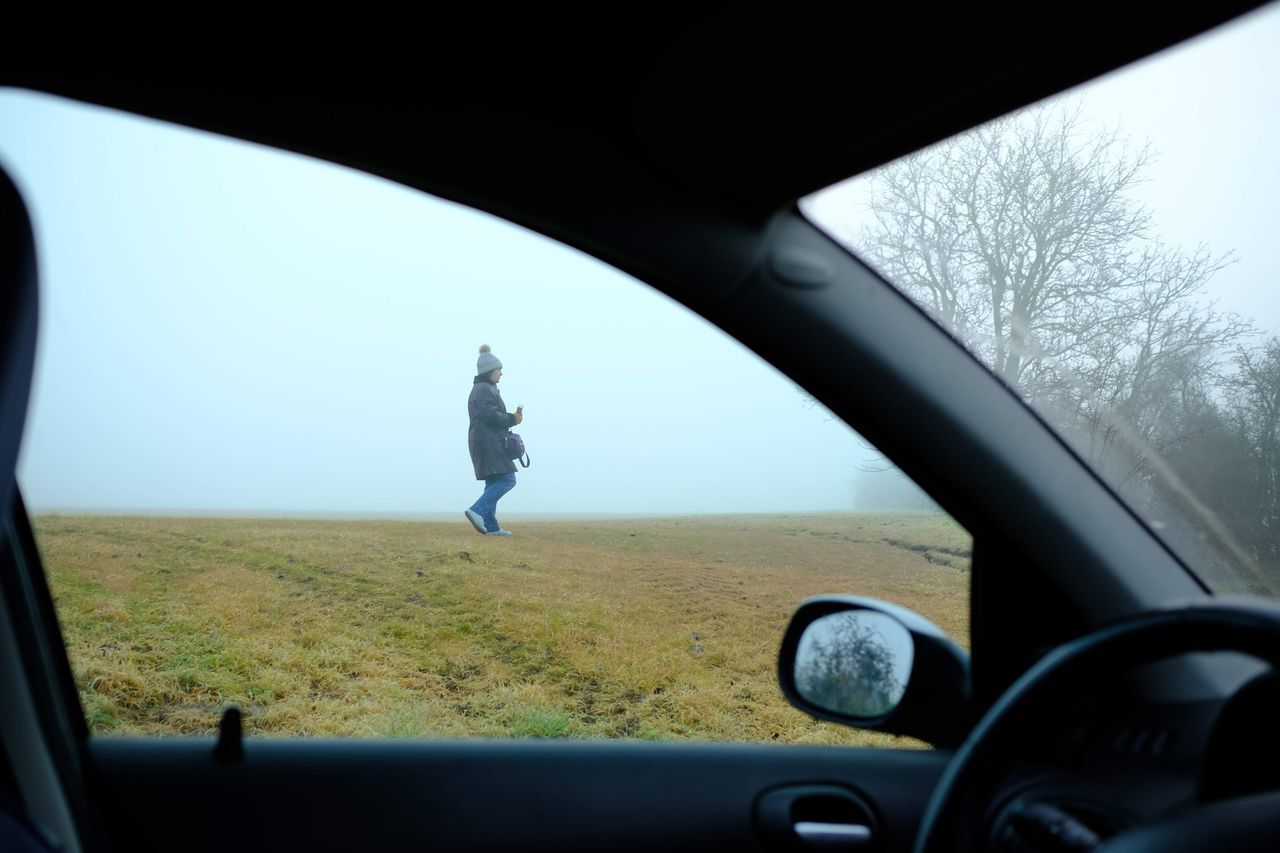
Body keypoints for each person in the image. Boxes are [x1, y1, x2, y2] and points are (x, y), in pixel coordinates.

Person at [465, 345, 524, 536]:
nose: (501, 373)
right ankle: (477, 510)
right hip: (488, 442)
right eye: (499, 369)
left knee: (494, 481)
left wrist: (511, 418)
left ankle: (491, 527)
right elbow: (491, 416)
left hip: (484, 441)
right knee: (508, 479)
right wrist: (512, 419)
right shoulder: (483, 389)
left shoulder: (485, 388)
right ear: (489, 370)